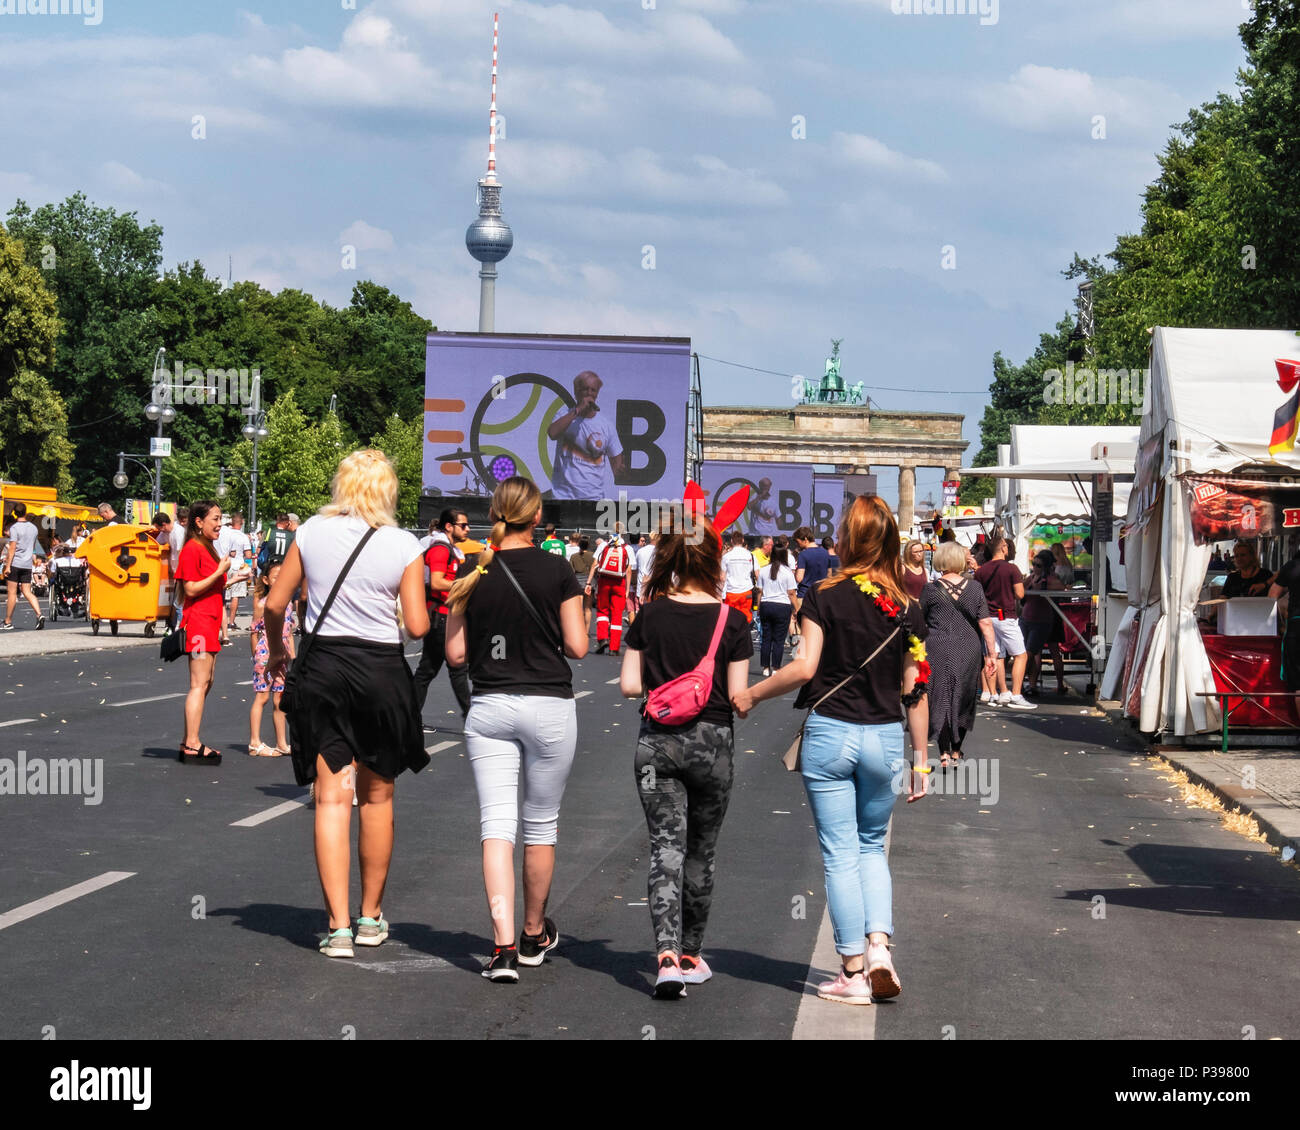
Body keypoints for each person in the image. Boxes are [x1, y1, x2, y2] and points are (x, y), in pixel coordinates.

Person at [732, 494, 930, 1004]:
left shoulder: (823, 593)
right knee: (871, 848)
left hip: (831, 734)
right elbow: (915, 688)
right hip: (886, 738)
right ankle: (880, 946)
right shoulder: (907, 607)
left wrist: (751, 693)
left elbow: (804, 667)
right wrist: (923, 760)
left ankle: (853, 972)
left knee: (840, 854)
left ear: (849, 539)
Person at [264, 450, 431, 960]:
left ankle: (336, 927)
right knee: (377, 797)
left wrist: (277, 651)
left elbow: (275, 603)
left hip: (323, 669)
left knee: (331, 797)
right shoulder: (403, 543)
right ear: (387, 491)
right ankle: (369, 918)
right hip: (381, 670)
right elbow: (419, 627)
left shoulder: (310, 531)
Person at [444, 476, 589, 982]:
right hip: (549, 704)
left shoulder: (473, 570)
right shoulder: (556, 568)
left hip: (488, 707)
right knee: (541, 823)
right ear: (537, 516)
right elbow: (577, 646)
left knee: (496, 825)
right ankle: (533, 935)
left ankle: (502, 947)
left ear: (494, 512)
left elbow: (456, 654)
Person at [620, 516, 753, 999]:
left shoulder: (649, 616)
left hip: (657, 742)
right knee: (701, 849)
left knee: (664, 848)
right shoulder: (732, 620)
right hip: (713, 743)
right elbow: (739, 695)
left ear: (670, 558)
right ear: (716, 558)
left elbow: (630, 685)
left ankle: (666, 956)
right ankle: (694, 954)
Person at [920, 541, 998, 768]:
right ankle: (956, 750)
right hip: (968, 647)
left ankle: (943, 751)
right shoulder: (975, 589)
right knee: (963, 696)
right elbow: (985, 623)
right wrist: (991, 655)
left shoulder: (930, 589)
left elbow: (919, 622)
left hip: (937, 647)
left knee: (940, 696)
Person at [175, 501, 239, 764]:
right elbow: (190, 589)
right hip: (199, 623)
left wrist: (232, 578)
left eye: (221, 519)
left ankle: (191, 738)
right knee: (198, 685)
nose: (219, 524)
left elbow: (211, 584)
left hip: (210, 623)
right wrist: (221, 572)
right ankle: (191, 743)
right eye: (215, 518)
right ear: (198, 522)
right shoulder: (192, 549)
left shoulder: (207, 548)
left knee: (207, 683)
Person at [413, 508, 472, 727]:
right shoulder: (440, 550)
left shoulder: (451, 550)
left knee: (428, 670)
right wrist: (465, 585)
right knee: (455, 668)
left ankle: (409, 716)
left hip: (446, 616)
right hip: (441, 617)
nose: (467, 529)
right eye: (463, 525)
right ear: (449, 526)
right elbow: (437, 582)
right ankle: (471, 716)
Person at [974, 536, 1035, 710]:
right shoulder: (1011, 569)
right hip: (1005, 616)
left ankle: (1000, 693)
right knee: (1020, 655)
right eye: (1006, 546)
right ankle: (1016, 694)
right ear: (1002, 547)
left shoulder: (981, 571)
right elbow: (1020, 594)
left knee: (996, 656)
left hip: (987, 617)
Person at [548, 370, 624, 501]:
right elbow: (552, 433)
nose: (589, 393)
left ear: (597, 394)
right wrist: (577, 410)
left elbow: (617, 466)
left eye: (593, 390)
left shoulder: (606, 425)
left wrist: (622, 471)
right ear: (576, 392)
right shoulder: (564, 415)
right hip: (563, 498)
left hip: (593, 499)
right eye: (585, 389)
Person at [248, 563, 295, 756]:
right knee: (262, 696)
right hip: (265, 654)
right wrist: (256, 656)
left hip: (282, 653)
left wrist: (292, 653)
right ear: (266, 580)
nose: (280, 580)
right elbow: (254, 632)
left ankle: (282, 743)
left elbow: (289, 631)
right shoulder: (262, 604)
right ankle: (254, 742)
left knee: (279, 699)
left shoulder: (288, 603)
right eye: (276, 577)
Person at [1022, 549, 1068, 696]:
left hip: (1047, 618)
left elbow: (1061, 588)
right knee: (1036, 653)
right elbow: (1021, 588)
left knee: (1049, 652)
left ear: (1046, 567)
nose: (1035, 567)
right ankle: (1032, 684)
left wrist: (1041, 583)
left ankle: (1059, 684)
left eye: (1038, 565)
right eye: (1033, 564)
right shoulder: (1032, 577)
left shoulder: (1051, 579)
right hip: (1031, 617)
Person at [589, 524, 632, 655]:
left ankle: (602, 639)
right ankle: (614, 647)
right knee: (617, 614)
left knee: (602, 610)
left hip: (604, 581)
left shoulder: (604, 545)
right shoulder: (627, 548)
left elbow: (595, 564)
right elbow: (629, 570)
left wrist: (589, 582)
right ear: (623, 533)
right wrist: (627, 589)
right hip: (619, 583)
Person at [757, 541, 798, 676]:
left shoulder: (763, 570)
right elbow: (791, 593)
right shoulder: (787, 572)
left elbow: (759, 591)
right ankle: (775, 667)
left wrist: (758, 607)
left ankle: (765, 667)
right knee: (779, 640)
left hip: (766, 605)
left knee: (766, 637)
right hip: (782, 606)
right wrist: (796, 609)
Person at [2, 503, 45, 630]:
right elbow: (32, 546)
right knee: (27, 591)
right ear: (25, 512)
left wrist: (8, 566)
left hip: (16, 563)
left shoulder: (14, 528)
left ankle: (8, 621)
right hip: (27, 564)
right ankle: (39, 614)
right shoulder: (33, 528)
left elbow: (12, 548)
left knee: (12, 594)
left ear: (15, 514)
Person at [217, 512, 252, 642]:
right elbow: (248, 555)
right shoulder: (243, 537)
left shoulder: (225, 533)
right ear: (241, 522)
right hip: (238, 567)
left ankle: (221, 624)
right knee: (235, 596)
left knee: (223, 598)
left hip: (226, 565)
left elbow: (230, 552)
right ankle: (231, 622)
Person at [721, 530, 757, 623]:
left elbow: (722, 577)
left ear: (732, 541)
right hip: (746, 592)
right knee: (746, 619)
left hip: (731, 593)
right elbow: (757, 574)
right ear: (743, 540)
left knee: (730, 619)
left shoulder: (726, 557)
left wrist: (721, 594)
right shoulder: (750, 556)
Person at [794, 526, 830, 599]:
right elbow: (829, 574)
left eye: (798, 542)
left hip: (805, 595)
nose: (797, 545)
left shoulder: (803, 555)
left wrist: (794, 573)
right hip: (822, 594)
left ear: (805, 539)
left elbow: (799, 578)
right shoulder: (826, 553)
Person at [628, 532, 657, 621]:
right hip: (656, 588)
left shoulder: (641, 551)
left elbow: (634, 569)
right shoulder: (663, 552)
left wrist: (634, 583)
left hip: (641, 587)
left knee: (640, 613)